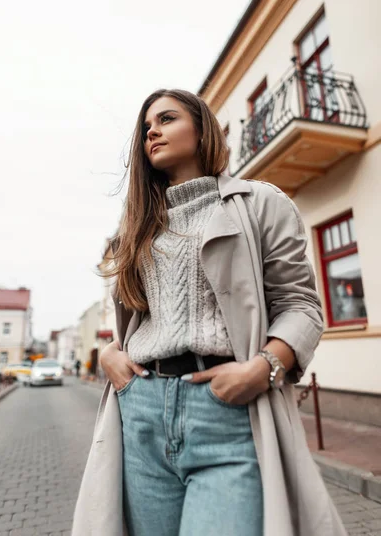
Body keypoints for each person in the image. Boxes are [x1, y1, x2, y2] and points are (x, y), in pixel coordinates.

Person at [72, 89, 347, 536]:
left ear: (202, 129)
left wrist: (264, 367)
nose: (152, 133)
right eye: (146, 129)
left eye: (166, 119)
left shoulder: (260, 203)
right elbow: (143, 318)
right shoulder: (138, 225)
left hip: (225, 408)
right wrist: (110, 354)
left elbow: (301, 306)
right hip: (141, 410)